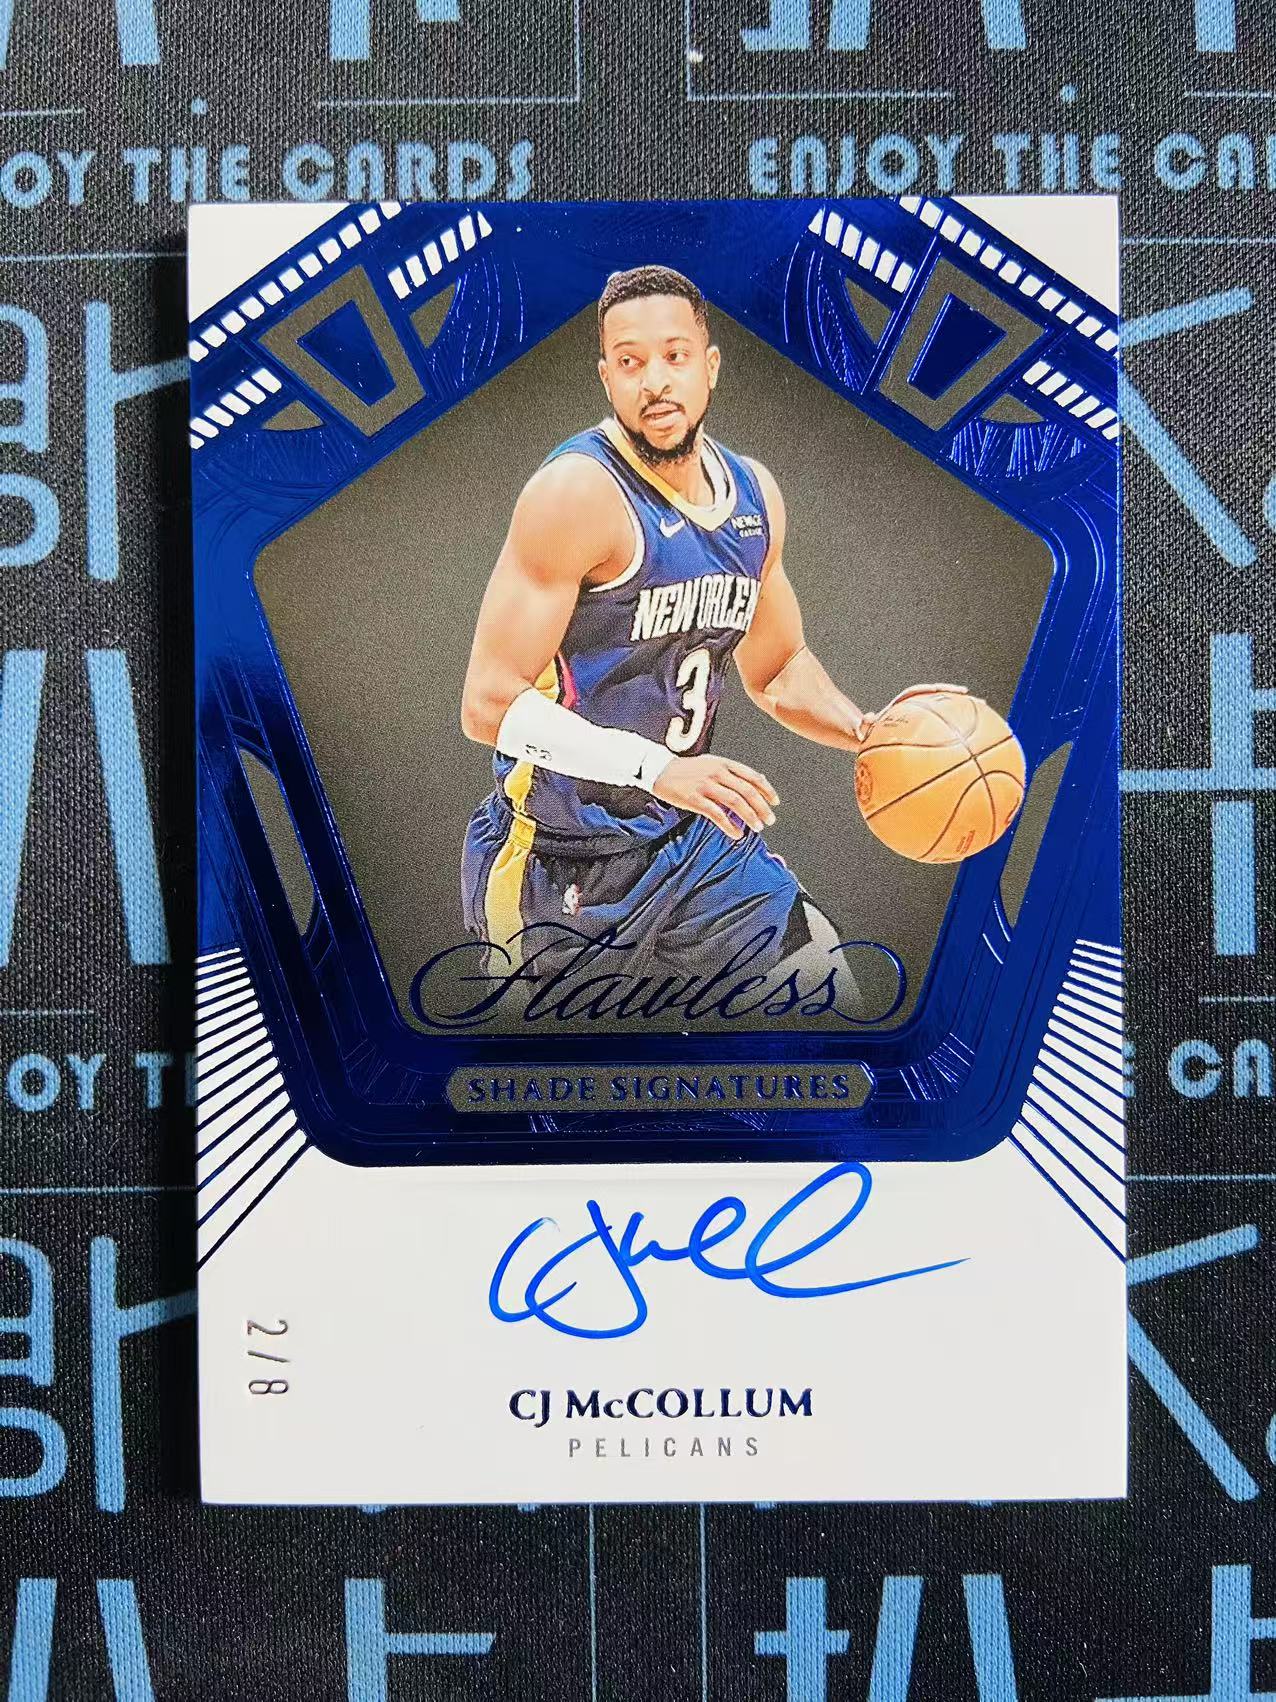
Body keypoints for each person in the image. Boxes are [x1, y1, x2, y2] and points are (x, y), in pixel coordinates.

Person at [460, 263, 947, 995]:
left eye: (674, 356)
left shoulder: (754, 496)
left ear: (709, 367)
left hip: (690, 840)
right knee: (570, 1065)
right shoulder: (576, 493)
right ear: (607, 379)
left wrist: (863, 729)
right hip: (560, 859)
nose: (655, 380)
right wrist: (656, 768)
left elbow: (778, 667)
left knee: (830, 998)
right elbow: (487, 706)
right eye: (630, 362)